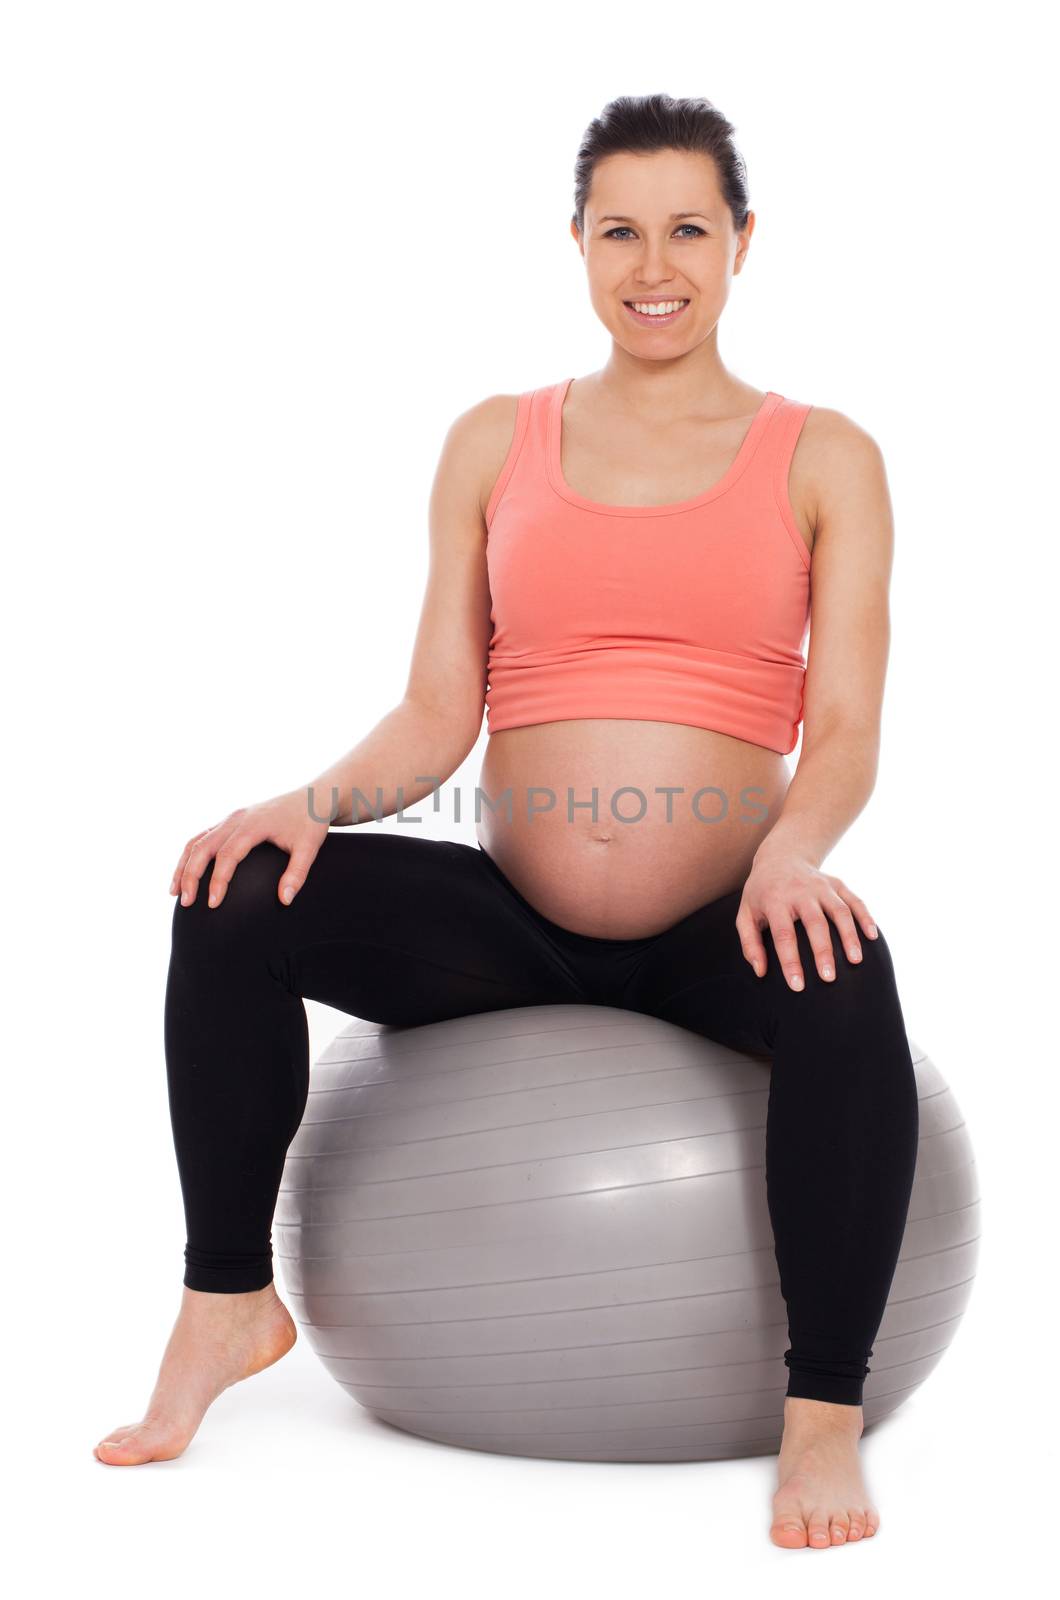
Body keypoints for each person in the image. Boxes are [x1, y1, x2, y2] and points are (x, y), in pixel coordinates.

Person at [95, 92, 919, 1553]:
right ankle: (226, 1302)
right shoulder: (495, 441)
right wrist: (303, 803)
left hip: (713, 922)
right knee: (229, 899)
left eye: (686, 229)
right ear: (578, 244)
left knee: (851, 987)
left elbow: (845, 730)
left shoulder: (824, 457)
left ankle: (822, 1416)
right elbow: (436, 717)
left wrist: (792, 856)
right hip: (514, 925)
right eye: (619, 230)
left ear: (742, 244)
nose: (651, 264)